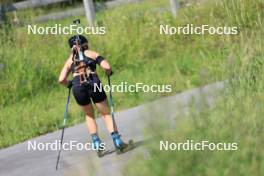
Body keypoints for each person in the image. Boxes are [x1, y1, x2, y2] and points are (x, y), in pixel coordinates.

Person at [58, 35, 128, 155]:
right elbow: (107, 66)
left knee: (89, 115)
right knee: (106, 114)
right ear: (85, 44)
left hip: (77, 87)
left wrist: (70, 84)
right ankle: (117, 141)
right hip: (93, 83)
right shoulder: (91, 53)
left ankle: (97, 143)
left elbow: (61, 79)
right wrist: (108, 72)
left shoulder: (70, 60)